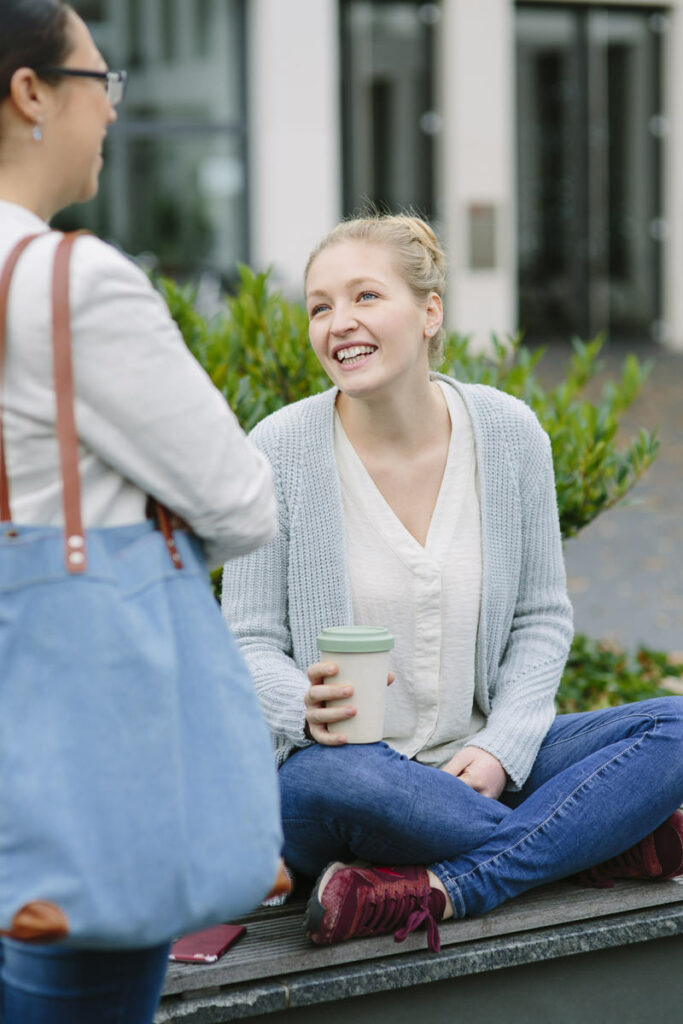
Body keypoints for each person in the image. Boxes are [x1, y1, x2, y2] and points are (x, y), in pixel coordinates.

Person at [222, 211, 683, 953]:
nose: (337, 323)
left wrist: (502, 748)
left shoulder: (507, 434)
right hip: (345, 774)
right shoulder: (276, 450)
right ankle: (594, 842)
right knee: (341, 782)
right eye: (319, 306)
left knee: (674, 728)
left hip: (477, 766)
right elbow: (243, 644)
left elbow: (540, 617)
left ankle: (444, 886)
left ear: (430, 310)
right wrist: (302, 708)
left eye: (365, 297)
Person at [0, 2, 278, 1021]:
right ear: (30, 93)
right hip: (70, 805)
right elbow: (242, 501)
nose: (111, 115)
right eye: (99, 85)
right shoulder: (67, 282)